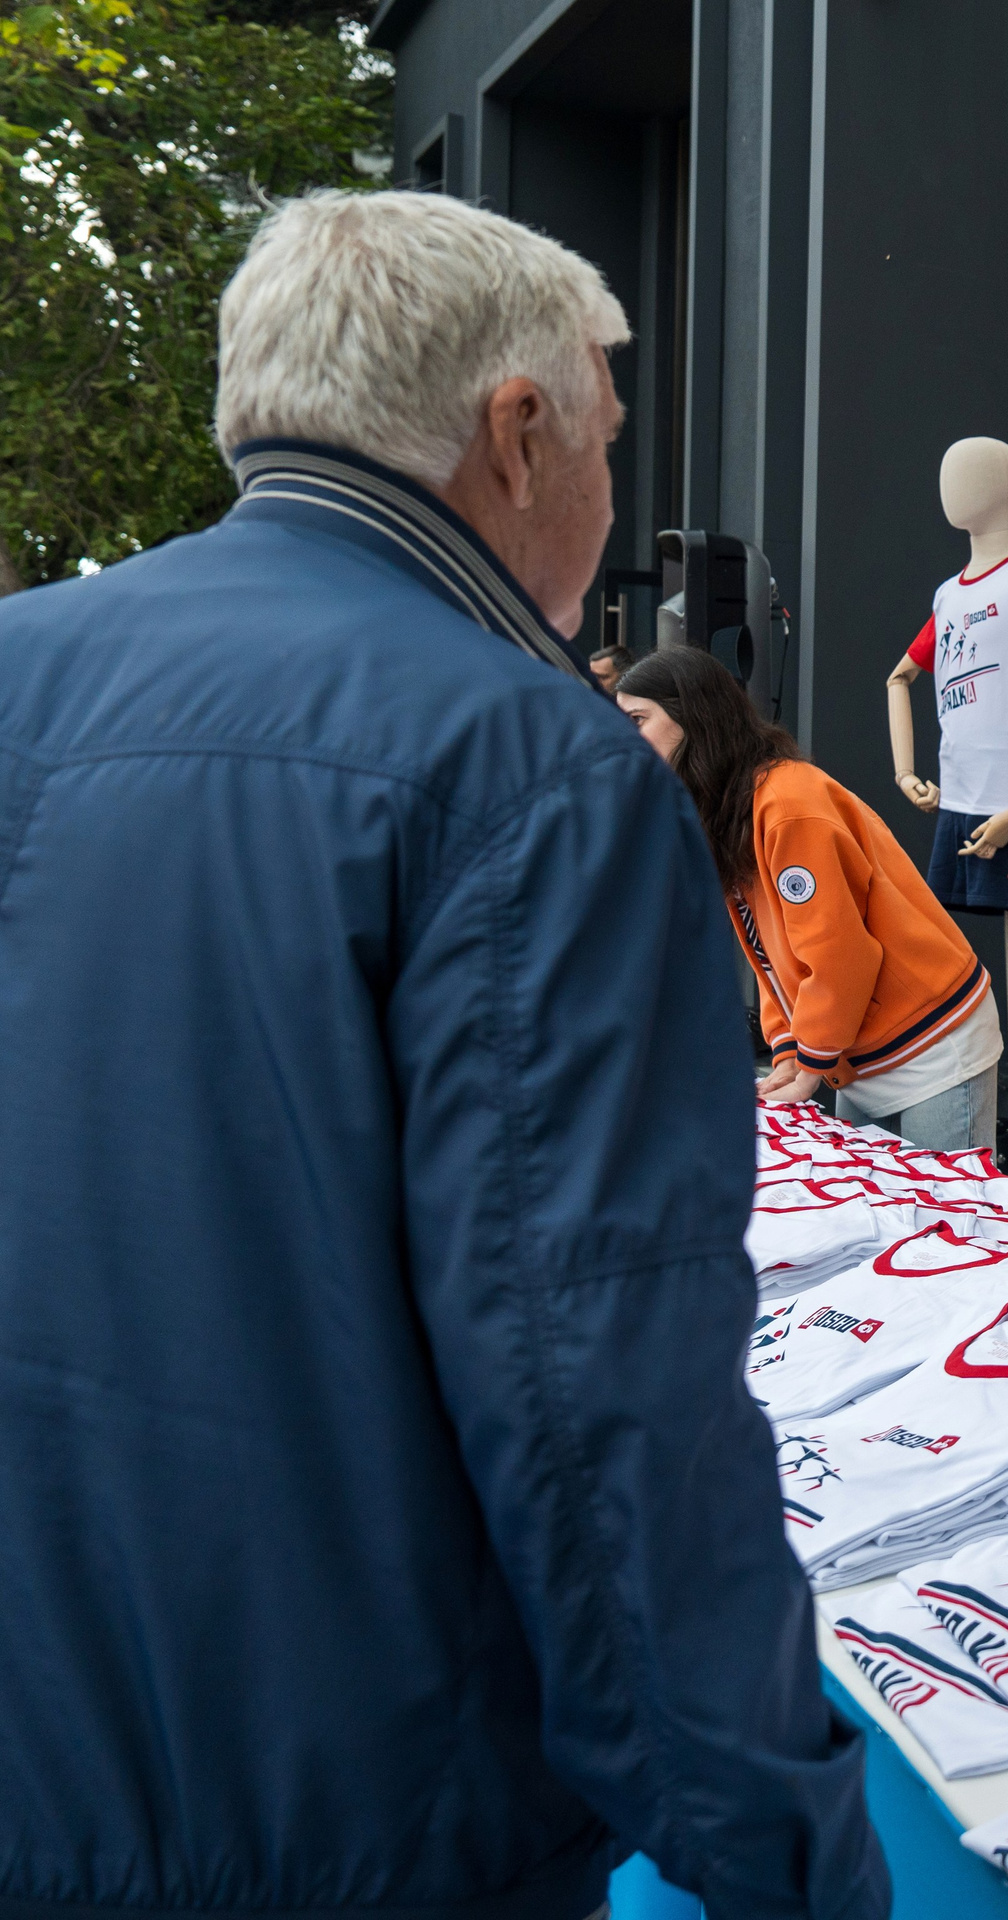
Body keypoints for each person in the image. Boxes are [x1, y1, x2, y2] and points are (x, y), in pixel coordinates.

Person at [0, 192, 888, 1920]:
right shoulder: (531, 769)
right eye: (613, 441)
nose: (615, 502)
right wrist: (794, 1868)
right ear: (521, 431)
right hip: (353, 1817)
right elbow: (605, 1405)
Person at [618, 643, 1001, 1150]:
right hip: (858, 1048)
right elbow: (772, 957)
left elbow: (838, 949)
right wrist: (788, 1050)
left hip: (929, 1043)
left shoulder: (786, 803)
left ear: (690, 718)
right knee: (886, 1220)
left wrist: (809, 1056)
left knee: (948, 1215)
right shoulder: (738, 805)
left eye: (638, 719)